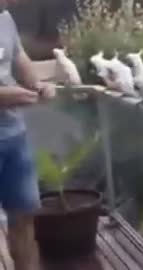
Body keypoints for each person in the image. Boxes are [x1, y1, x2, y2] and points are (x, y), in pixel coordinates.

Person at [0, 1, 56, 269]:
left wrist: (37, 84)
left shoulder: (5, 18)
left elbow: (19, 56)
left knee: (23, 218)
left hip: (14, 137)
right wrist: (10, 96)